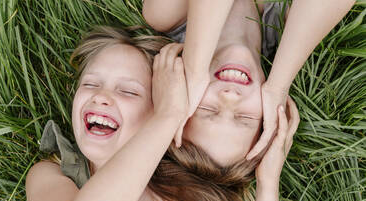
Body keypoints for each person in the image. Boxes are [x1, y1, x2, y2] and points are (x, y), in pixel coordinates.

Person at [26, 25, 300, 201]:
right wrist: (168, 116)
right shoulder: (52, 177)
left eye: (129, 92)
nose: (101, 96)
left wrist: (268, 184)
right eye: (90, 84)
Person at [142, 0, 355, 160]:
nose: (230, 98)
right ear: (267, 116)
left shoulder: (166, 14)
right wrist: (278, 85)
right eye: (244, 117)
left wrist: (194, 68)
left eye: (208, 110)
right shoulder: (282, 23)